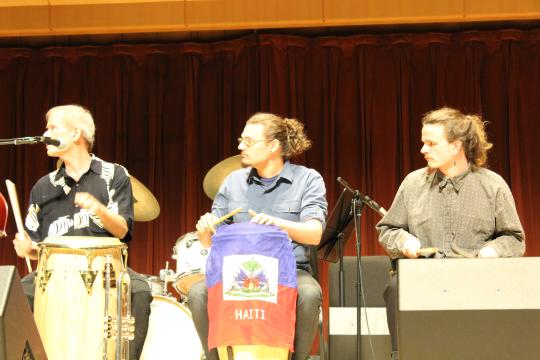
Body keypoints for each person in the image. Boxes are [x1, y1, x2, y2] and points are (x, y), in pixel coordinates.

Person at [376, 107, 526, 360]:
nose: (423, 150)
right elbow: (388, 229)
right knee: (395, 287)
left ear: (456, 147)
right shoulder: (413, 183)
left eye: (431, 143)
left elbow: (514, 238)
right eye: (423, 143)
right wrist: (404, 241)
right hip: (422, 278)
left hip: (475, 280)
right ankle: (399, 354)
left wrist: (493, 250)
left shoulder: (492, 185)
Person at [12, 104, 151, 360]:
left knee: (140, 291)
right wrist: (27, 248)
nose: (44, 133)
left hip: (105, 267)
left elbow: (123, 230)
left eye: (52, 127)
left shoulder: (114, 175)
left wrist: (99, 208)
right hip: (53, 271)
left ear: (76, 134)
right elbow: (35, 248)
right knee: (14, 299)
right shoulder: (43, 186)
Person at [191, 112, 328, 360]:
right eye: (240, 139)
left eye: (249, 141)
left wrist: (278, 224)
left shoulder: (307, 179)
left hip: (289, 272)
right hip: (237, 272)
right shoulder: (233, 182)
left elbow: (315, 234)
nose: (240, 146)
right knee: (198, 293)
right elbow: (210, 242)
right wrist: (205, 230)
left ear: (273, 146)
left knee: (309, 294)